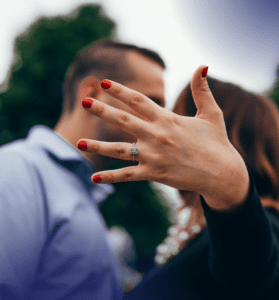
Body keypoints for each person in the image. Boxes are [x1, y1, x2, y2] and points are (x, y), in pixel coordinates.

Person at [79, 66, 279, 300]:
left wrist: (230, 188)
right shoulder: (202, 230)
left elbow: (249, 273)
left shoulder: (271, 223)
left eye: (181, 121)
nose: (165, 135)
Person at [0, 39, 166, 299]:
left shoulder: (80, 190)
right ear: (92, 93)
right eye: (148, 102)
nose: (158, 119)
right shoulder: (17, 169)